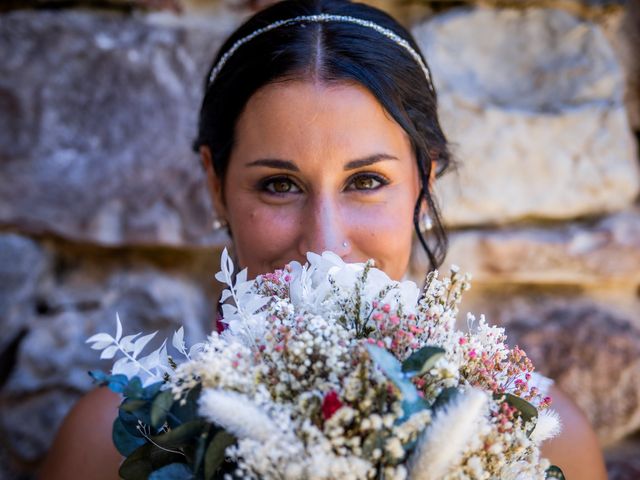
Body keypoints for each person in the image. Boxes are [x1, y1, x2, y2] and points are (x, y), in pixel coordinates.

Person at [39, 1, 608, 478]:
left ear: (423, 181)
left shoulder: (543, 440)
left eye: (366, 181)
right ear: (217, 187)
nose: (324, 244)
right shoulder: (112, 441)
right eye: (279, 185)